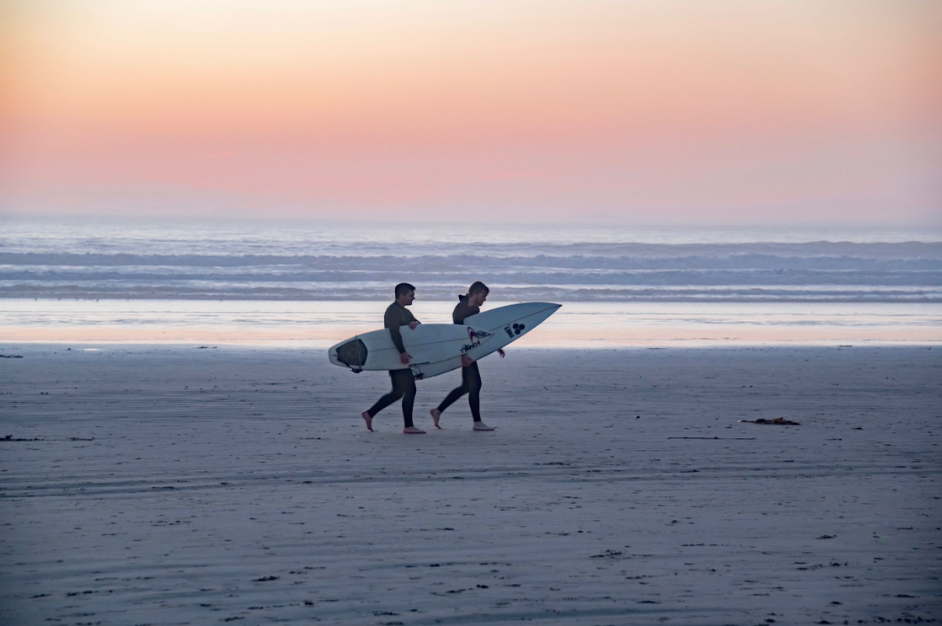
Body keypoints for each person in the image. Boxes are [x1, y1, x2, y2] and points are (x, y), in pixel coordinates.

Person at [430, 281, 504, 431]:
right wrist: (463, 355)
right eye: (483, 295)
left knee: (467, 386)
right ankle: (477, 423)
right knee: (475, 385)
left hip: (470, 350)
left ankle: (438, 411)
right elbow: (457, 335)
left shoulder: (474, 309)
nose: (485, 299)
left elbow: (478, 332)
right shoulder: (461, 310)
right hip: (464, 351)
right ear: (475, 293)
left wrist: (496, 346)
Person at [361, 283, 425, 434]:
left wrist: (414, 323)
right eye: (410, 295)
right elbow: (394, 333)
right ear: (401, 295)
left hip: (401, 356)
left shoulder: (406, 312)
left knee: (398, 391)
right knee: (409, 388)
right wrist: (402, 352)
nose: (413, 298)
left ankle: (369, 413)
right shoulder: (392, 311)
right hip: (395, 355)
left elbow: (420, 325)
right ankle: (408, 426)